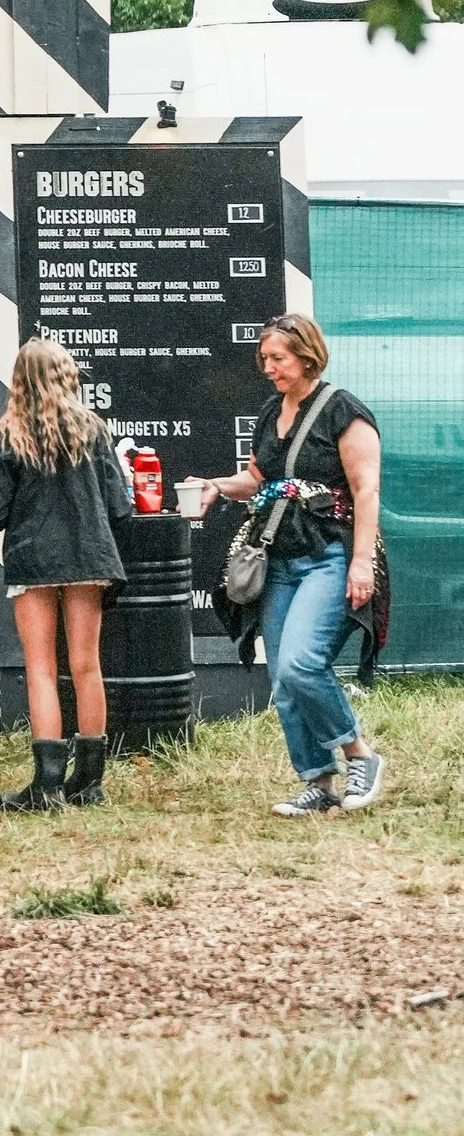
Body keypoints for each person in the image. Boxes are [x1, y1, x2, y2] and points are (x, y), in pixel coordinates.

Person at [205, 315, 387, 816]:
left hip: (328, 556)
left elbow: (366, 490)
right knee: (283, 680)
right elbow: (257, 480)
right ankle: (317, 781)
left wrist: (361, 562)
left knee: (303, 665)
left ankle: (359, 754)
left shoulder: (342, 411)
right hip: (279, 561)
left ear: (306, 356)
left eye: (277, 358)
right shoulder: (270, 412)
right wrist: (216, 486)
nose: (268, 367)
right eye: (264, 358)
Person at [0, 338, 134, 814]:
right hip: (89, 557)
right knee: (87, 666)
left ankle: (45, 786)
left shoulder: (7, 434)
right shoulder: (94, 430)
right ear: (68, 376)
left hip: (33, 559)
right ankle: (89, 782)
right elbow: (119, 506)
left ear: (19, 380)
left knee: (41, 668)